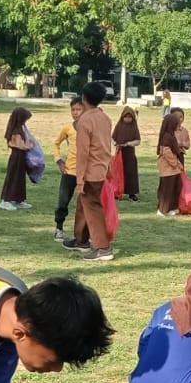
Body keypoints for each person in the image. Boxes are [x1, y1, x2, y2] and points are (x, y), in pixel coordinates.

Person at [69, 83, 116, 262]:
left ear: (84, 98)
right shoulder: (104, 117)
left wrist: (80, 180)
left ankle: (102, 248)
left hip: (90, 172)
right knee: (87, 206)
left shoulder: (85, 120)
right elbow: (106, 145)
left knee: (93, 209)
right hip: (101, 169)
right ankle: (82, 240)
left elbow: (83, 153)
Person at [52, 97, 83, 242]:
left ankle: (82, 234)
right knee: (63, 201)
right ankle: (59, 228)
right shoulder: (68, 128)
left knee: (84, 205)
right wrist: (59, 160)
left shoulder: (88, 128)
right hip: (69, 171)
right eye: (73, 110)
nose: (75, 113)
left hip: (85, 173)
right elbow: (56, 143)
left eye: (78, 109)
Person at [0, 106, 33, 210]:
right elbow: (21, 146)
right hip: (17, 156)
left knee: (20, 178)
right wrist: (30, 146)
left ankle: (19, 199)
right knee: (13, 177)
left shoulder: (18, 128)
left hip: (20, 157)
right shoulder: (16, 130)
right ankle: (6, 200)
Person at [155, 109, 188, 216]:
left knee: (175, 187)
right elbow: (167, 152)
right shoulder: (167, 137)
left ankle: (171, 208)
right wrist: (175, 163)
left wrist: (177, 164)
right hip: (167, 168)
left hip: (173, 168)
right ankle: (162, 209)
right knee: (167, 189)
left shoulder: (171, 136)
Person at [113, 106, 142, 200]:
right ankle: (117, 190)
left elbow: (138, 141)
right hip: (119, 152)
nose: (128, 119)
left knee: (131, 173)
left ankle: (132, 193)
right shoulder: (119, 125)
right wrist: (115, 143)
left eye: (130, 117)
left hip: (129, 153)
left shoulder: (134, 126)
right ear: (122, 117)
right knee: (118, 172)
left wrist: (129, 143)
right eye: (126, 117)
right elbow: (113, 137)